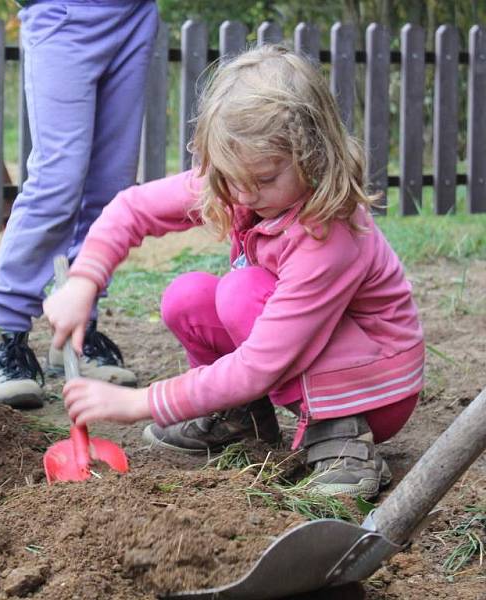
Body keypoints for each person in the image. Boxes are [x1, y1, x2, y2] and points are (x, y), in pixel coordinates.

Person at [43, 45, 424, 499]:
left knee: (241, 293)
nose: (243, 195)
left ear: (315, 156)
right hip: (303, 354)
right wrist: (85, 280)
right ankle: (238, 418)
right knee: (188, 298)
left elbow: (261, 363)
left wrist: (139, 402)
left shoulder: (329, 235)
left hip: (374, 389)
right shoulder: (239, 179)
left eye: (264, 179)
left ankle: (342, 439)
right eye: (230, 176)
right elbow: (132, 209)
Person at [0, 0, 159, 409]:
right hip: (63, 11)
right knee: (57, 180)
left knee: (111, 187)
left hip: (133, 13)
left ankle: (76, 333)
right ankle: (5, 337)